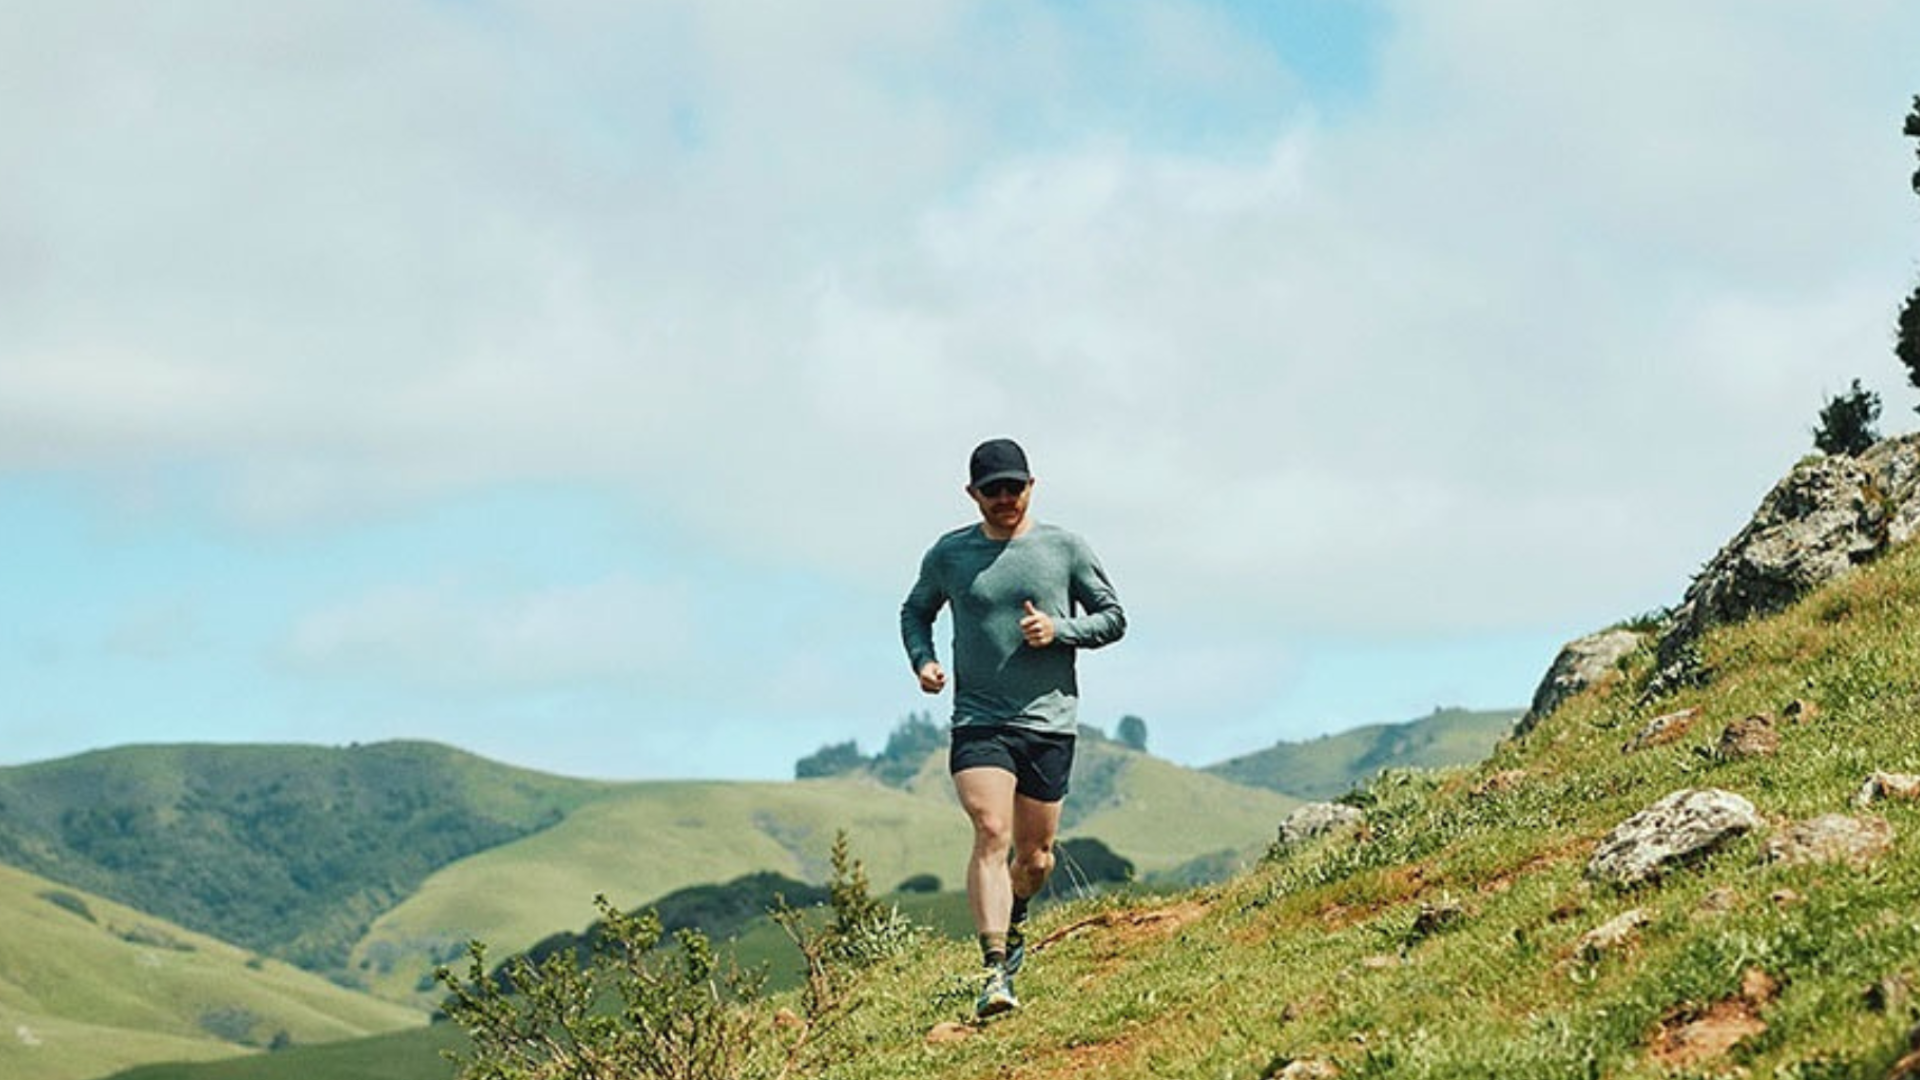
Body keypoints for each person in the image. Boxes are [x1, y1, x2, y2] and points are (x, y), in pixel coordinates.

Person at [899, 437, 1126, 1018]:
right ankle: (995, 971)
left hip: (1049, 722)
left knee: (1036, 859)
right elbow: (915, 610)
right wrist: (923, 661)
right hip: (979, 720)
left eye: (1014, 487)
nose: (1004, 498)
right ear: (972, 494)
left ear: (1031, 486)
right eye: (992, 489)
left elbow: (1113, 617)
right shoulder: (949, 555)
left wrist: (1060, 630)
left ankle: (1018, 913)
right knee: (990, 829)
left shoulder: (1065, 548)